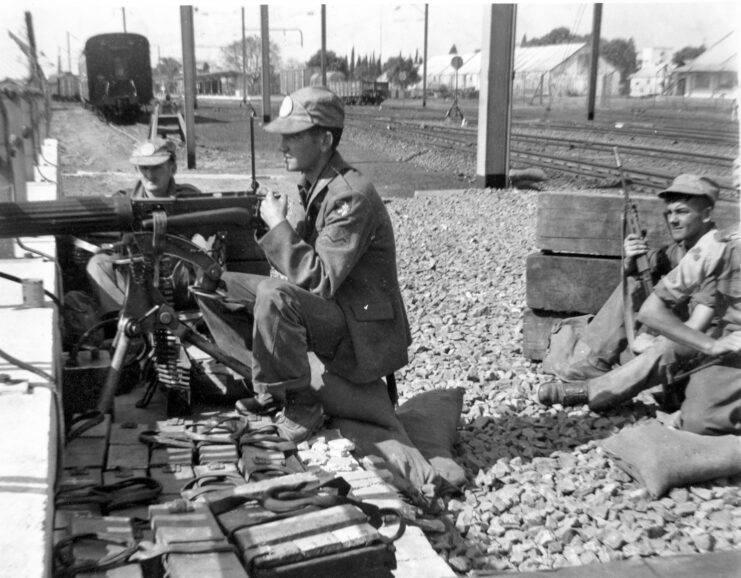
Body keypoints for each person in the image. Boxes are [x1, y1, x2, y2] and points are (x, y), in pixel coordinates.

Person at [196, 86, 411, 442]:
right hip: (337, 309)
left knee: (273, 295)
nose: (282, 146)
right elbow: (303, 266)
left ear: (325, 140)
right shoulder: (315, 186)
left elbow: (320, 278)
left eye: (292, 137)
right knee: (216, 284)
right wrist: (269, 226)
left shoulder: (349, 196)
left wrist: (279, 226)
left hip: (361, 329)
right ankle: (272, 392)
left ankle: (303, 405)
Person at [538, 174, 721, 409]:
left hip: (707, 351)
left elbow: (702, 330)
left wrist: (658, 339)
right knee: (635, 280)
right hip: (676, 345)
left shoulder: (717, 253)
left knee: (663, 351)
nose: (673, 220)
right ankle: (590, 364)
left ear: (706, 214)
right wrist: (631, 261)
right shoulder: (682, 248)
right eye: (670, 213)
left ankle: (590, 390)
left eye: (682, 212)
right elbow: (651, 262)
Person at [636, 226, 741, 435]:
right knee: (700, 423)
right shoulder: (718, 245)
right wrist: (711, 346)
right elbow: (651, 311)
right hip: (735, 352)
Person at [85, 137, 207, 315]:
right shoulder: (123, 201)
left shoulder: (190, 197)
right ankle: (125, 324)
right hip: (138, 281)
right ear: (136, 170)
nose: (150, 174)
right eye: (144, 168)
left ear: (172, 168)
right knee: (97, 264)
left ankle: (207, 318)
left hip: (181, 282)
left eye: (157, 167)